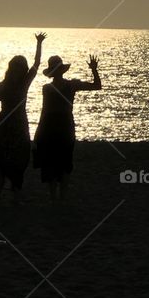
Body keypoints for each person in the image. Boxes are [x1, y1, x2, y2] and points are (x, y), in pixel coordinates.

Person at [0, 33, 46, 200]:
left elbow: (37, 64)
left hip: (19, 125)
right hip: (5, 124)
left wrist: (39, 43)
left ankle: (13, 193)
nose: (17, 71)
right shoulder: (0, 86)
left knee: (19, 161)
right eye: (16, 68)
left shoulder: (24, 84)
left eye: (20, 69)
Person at [33, 54, 102, 201]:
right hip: (60, 125)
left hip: (54, 126)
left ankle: (57, 197)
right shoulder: (68, 85)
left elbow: (97, 86)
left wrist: (95, 70)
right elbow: (97, 86)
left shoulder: (53, 87)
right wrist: (94, 70)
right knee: (60, 161)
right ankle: (59, 197)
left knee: (58, 161)